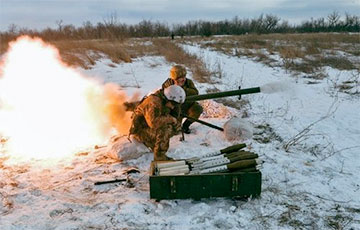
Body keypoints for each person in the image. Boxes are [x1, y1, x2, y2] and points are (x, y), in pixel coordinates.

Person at [128, 85, 186, 161]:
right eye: (173, 104)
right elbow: (154, 123)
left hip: (148, 128)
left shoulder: (164, 100)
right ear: (168, 99)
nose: (173, 107)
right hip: (139, 131)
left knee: (174, 127)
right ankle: (160, 157)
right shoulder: (153, 102)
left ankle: (153, 143)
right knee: (166, 129)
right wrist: (171, 119)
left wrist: (175, 122)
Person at [162, 65, 203, 134]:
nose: (183, 79)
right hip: (175, 110)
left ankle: (186, 126)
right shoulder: (167, 84)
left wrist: (182, 90)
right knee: (174, 131)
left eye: (184, 76)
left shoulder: (188, 82)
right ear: (174, 79)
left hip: (187, 107)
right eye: (181, 78)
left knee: (197, 108)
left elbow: (195, 93)